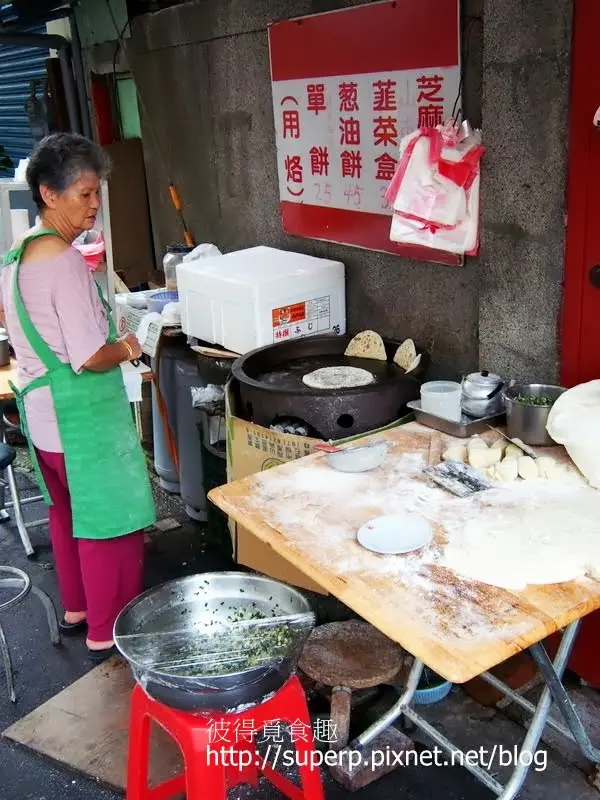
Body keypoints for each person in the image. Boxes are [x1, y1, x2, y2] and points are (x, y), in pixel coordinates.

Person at [0, 133, 156, 662]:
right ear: (49, 193)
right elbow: (89, 355)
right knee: (108, 523)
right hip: (81, 419)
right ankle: (108, 629)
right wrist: (129, 345)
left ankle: (77, 609)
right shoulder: (63, 261)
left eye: (96, 192)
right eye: (84, 194)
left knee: (68, 514)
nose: (94, 204)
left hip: (43, 418)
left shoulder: (16, 257)